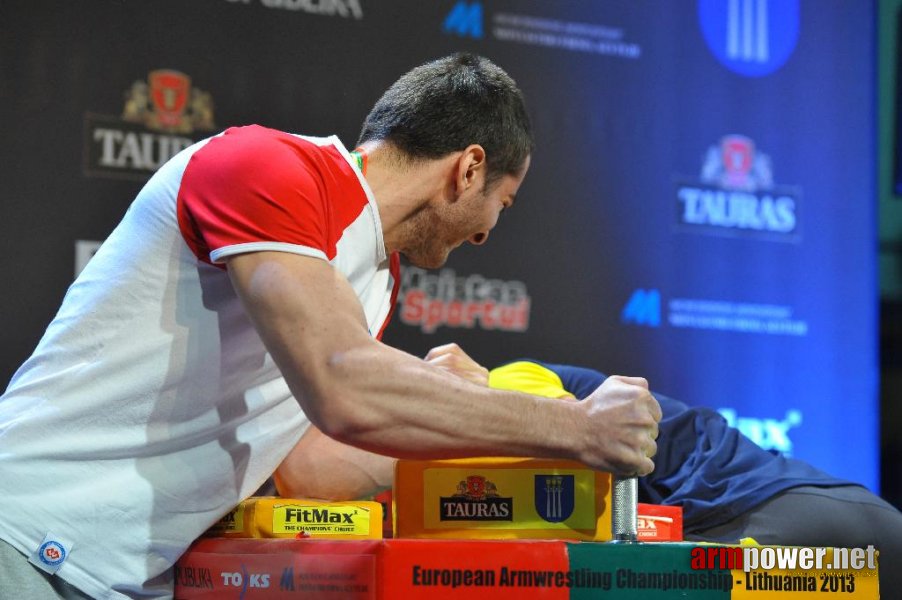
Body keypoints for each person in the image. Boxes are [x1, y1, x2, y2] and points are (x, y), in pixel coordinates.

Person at [0, 53, 662, 599]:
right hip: (23, 536)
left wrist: (494, 418)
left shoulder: (375, 281)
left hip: (114, 578)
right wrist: (574, 427)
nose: (489, 232)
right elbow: (343, 384)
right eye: (502, 202)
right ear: (468, 169)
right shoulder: (267, 167)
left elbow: (311, 466)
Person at [276, 344, 902, 593]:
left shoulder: (512, 387)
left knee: (635, 585)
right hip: (838, 520)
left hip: (791, 520)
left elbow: (317, 472)